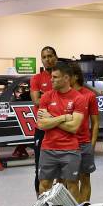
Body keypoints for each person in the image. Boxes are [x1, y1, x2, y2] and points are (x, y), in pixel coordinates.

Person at [36, 62, 85, 198]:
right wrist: (63, 117)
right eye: (51, 76)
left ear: (66, 78)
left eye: (55, 77)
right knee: (45, 184)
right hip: (48, 148)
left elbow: (74, 127)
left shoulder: (78, 98)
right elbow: (41, 125)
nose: (51, 80)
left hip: (70, 149)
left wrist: (50, 118)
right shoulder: (46, 96)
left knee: (72, 184)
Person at [69, 62, 98, 202]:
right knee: (70, 181)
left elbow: (95, 122)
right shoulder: (63, 94)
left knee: (85, 179)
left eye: (67, 76)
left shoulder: (89, 96)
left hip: (84, 144)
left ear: (74, 77)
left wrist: (92, 144)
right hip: (67, 144)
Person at [31, 46, 58, 195]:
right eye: (44, 57)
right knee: (40, 169)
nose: (47, 59)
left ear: (56, 57)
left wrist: (45, 95)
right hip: (42, 130)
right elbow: (36, 101)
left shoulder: (63, 76)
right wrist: (55, 95)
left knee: (62, 173)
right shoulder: (37, 78)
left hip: (61, 129)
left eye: (50, 56)